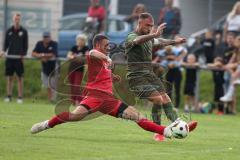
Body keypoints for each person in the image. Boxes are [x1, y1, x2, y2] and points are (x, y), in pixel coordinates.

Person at [30, 34, 180, 140]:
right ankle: (46, 125)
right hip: (94, 98)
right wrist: (106, 58)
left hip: (109, 101)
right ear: (98, 45)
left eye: (109, 45)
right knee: (72, 116)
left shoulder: (104, 63)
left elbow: (102, 75)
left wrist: (112, 77)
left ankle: (165, 131)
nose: (108, 48)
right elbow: (93, 52)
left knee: (137, 116)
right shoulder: (94, 55)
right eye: (106, 45)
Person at [125, 12, 197, 142]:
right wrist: (154, 34)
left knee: (165, 97)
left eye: (152, 26)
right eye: (147, 25)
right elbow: (137, 41)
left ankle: (180, 124)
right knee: (158, 99)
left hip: (149, 74)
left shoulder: (149, 38)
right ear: (140, 23)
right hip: (136, 77)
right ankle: (159, 132)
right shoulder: (132, 36)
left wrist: (176, 41)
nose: (150, 28)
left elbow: (160, 41)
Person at [3, 13, 28, 103]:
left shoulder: (24, 31)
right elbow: (5, 45)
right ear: (13, 19)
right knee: (9, 77)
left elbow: (25, 46)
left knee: (20, 77)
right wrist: (3, 52)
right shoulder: (9, 31)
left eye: (18, 19)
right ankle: (9, 96)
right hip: (10, 57)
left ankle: (20, 97)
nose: (17, 21)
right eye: (15, 19)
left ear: (20, 20)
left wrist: (23, 55)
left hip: (19, 57)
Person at [32, 32, 58, 102]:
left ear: (50, 37)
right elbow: (33, 53)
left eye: (47, 37)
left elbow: (52, 54)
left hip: (53, 66)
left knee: (53, 84)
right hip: (44, 67)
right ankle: (50, 99)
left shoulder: (54, 43)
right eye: (44, 37)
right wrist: (41, 57)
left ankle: (53, 99)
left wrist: (42, 55)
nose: (46, 39)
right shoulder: (39, 43)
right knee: (47, 84)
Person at [220, 35, 240, 114]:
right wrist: (228, 67)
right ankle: (229, 94)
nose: (235, 41)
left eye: (237, 40)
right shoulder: (236, 50)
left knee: (234, 75)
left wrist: (232, 69)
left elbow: (238, 63)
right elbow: (230, 62)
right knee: (233, 78)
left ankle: (229, 94)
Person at [67, 34, 89, 105]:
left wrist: (76, 58)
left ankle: (79, 100)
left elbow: (86, 57)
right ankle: (73, 100)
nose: (80, 41)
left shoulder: (86, 48)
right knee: (72, 86)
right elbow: (69, 56)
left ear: (85, 41)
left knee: (77, 85)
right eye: (79, 40)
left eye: (82, 40)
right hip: (71, 69)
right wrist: (75, 57)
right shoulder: (74, 47)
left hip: (79, 70)